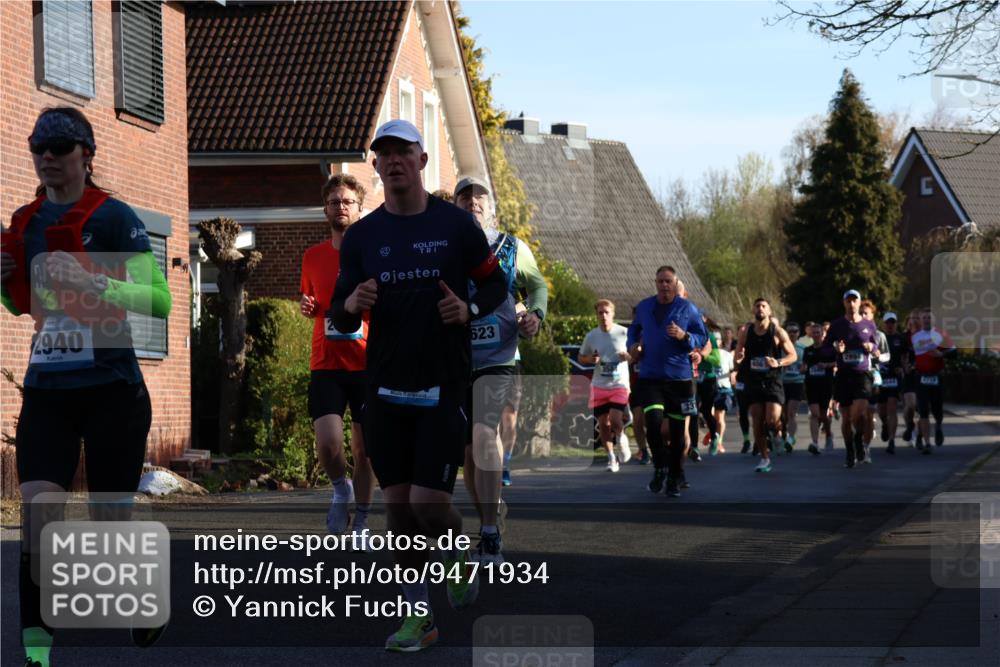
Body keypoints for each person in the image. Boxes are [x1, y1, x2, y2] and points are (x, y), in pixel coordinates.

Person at [2, 107, 172, 667]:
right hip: (48, 388)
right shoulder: (24, 223)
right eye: (39, 148)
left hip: (112, 391)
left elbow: (158, 301)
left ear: (86, 156)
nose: (47, 156)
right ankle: (35, 645)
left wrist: (96, 279)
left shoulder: (115, 216)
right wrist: (3, 286)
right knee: (40, 513)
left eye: (60, 146)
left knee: (108, 521)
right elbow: (25, 306)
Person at [330, 119, 508, 651]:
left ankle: (457, 555)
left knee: (430, 505)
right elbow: (340, 313)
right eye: (384, 154)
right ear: (376, 165)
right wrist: (351, 305)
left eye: (403, 152)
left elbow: (495, 284)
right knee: (399, 508)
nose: (394, 162)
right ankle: (419, 616)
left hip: (442, 382)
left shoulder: (456, 225)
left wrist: (468, 306)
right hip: (383, 386)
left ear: (422, 160)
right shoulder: (362, 236)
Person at [454, 175, 547, 563]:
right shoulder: (446, 245)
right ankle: (490, 518)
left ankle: (489, 533)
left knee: (482, 433)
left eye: (480, 197)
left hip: (499, 357)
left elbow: (537, 285)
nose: (473, 202)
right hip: (456, 358)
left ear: (492, 207)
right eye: (465, 197)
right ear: (455, 206)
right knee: (468, 455)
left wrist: (536, 315)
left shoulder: (511, 246)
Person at [300, 174, 375, 542]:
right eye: (334, 202)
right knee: (329, 443)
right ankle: (340, 489)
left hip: (367, 363)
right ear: (325, 209)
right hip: (326, 363)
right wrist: (307, 305)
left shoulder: (374, 255)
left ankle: (362, 518)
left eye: (347, 202)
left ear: (360, 210)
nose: (340, 207)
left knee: (366, 450)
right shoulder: (312, 257)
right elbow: (310, 301)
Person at [627, 266, 709, 497]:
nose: (664, 285)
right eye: (660, 281)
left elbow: (703, 337)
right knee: (652, 423)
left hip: (680, 380)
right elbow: (633, 330)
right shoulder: (644, 306)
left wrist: (685, 337)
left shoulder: (687, 308)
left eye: (668, 281)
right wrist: (632, 345)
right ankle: (660, 467)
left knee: (675, 432)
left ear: (675, 284)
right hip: (651, 377)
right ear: (655, 283)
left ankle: (674, 476)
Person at [733, 298, 796, 472]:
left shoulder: (777, 332)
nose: (760, 308)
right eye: (757, 306)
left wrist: (779, 362)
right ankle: (764, 458)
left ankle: (777, 433)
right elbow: (738, 355)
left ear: (769, 311)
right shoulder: (746, 331)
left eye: (763, 306)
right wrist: (737, 360)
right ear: (753, 311)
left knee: (772, 418)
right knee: (757, 421)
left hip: (772, 380)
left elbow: (793, 355)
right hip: (753, 381)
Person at [823, 290, 879, 468]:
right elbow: (825, 349)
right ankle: (849, 449)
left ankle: (858, 439)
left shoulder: (869, 325)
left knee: (860, 413)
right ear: (844, 303)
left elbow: (876, 346)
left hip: (862, 374)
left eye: (854, 301)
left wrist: (872, 346)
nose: (851, 304)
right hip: (843, 375)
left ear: (859, 303)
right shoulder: (837, 325)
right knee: (846, 419)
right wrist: (836, 351)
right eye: (848, 301)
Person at [578, 300, 632, 472]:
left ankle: (622, 438)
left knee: (616, 419)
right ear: (596, 315)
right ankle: (611, 458)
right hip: (599, 384)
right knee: (603, 424)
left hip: (619, 383)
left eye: (606, 312)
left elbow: (636, 354)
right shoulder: (591, 336)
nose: (603, 316)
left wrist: (628, 356)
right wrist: (590, 360)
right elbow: (581, 357)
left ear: (613, 314)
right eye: (600, 313)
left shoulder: (624, 333)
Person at [911, 308, 956, 453]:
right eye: (924, 318)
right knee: (923, 410)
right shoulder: (914, 337)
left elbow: (954, 353)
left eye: (929, 318)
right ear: (920, 320)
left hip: (936, 376)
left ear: (933, 320)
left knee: (937, 408)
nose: (926, 320)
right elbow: (910, 355)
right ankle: (927, 443)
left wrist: (941, 355)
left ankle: (938, 425)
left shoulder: (941, 334)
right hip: (921, 377)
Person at [859, 300, 890, 464]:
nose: (863, 315)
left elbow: (887, 356)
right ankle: (858, 441)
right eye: (861, 313)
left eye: (866, 313)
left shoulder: (879, 335)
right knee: (856, 415)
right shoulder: (853, 332)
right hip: (856, 375)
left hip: (872, 375)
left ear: (872, 316)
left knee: (869, 413)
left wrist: (878, 356)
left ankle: (866, 448)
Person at [878, 312, 909, 454]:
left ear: (896, 323)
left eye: (893, 322)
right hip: (880, 378)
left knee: (892, 408)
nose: (890, 325)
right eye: (888, 322)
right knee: (882, 410)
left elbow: (905, 357)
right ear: (884, 324)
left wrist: (903, 368)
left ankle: (891, 440)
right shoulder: (878, 338)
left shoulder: (900, 339)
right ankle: (884, 424)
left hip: (894, 378)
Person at [802, 322, 835, 454]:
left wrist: (826, 365)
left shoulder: (829, 349)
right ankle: (815, 443)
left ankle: (828, 434)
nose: (816, 335)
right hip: (811, 385)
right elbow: (804, 365)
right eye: (814, 332)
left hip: (825, 385)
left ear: (823, 334)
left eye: (818, 332)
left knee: (823, 415)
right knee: (814, 414)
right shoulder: (807, 350)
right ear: (811, 334)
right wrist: (803, 368)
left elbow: (837, 362)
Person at [780, 321, 806, 453]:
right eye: (790, 331)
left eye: (795, 331)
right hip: (783, 383)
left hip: (797, 382)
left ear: (799, 333)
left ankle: (791, 438)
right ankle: (784, 434)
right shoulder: (780, 348)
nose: (792, 334)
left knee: (791, 412)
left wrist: (804, 368)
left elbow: (808, 364)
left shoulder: (802, 349)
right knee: (783, 414)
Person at [901, 309, 922, 448]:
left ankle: (920, 436)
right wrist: (905, 366)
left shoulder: (926, 336)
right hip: (909, 375)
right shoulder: (904, 337)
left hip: (922, 375)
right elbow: (901, 355)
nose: (913, 321)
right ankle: (910, 426)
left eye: (916, 318)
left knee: (922, 409)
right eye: (912, 318)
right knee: (910, 406)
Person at [712, 328, 736, 453]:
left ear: (721, 342)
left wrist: (734, 375)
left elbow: (732, 369)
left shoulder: (726, 355)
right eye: (713, 340)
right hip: (710, 388)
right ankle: (712, 434)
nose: (716, 342)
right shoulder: (706, 354)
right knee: (710, 415)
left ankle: (719, 441)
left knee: (720, 417)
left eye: (717, 340)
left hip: (724, 388)